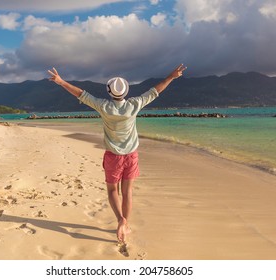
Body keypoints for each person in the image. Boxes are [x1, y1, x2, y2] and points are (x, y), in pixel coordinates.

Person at [48, 64, 187, 243]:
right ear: (126, 91)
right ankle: (126, 223)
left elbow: (80, 93)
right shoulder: (134, 105)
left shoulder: (104, 106)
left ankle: (120, 220)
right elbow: (155, 91)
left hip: (113, 156)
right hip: (131, 155)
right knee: (127, 192)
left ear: (109, 91)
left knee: (113, 190)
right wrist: (171, 77)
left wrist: (61, 82)